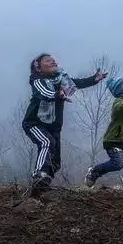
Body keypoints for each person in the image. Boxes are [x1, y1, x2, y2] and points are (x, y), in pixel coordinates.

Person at [22, 53, 107, 196]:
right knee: (46, 142)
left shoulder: (61, 79)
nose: (53, 61)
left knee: (55, 163)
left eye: (54, 60)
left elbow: (77, 83)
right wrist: (57, 95)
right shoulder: (37, 79)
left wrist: (94, 79)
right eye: (48, 61)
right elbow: (43, 92)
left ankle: (39, 192)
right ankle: (38, 176)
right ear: (38, 67)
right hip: (34, 123)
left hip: (54, 126)